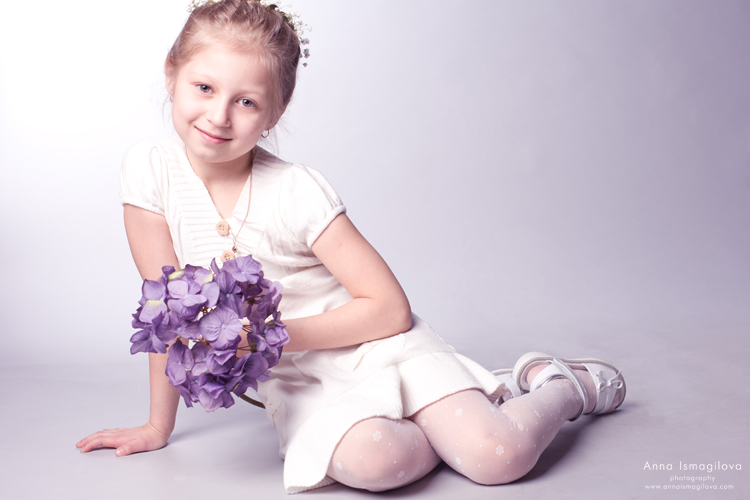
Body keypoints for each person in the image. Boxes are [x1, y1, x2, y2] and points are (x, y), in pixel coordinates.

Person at [76, 0, 626, 494]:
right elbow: (169, 314)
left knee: (495, 458)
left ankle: (559, 385)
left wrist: (267, 338)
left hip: (377, 347)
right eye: (204, 88)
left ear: (275, 113)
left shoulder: (296, 190)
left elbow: (389, 310)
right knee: (374, 465)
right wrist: (158, 426)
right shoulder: (150, 170)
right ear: (171, 74)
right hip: (300, 382)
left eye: (245, 101)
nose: (219, 116)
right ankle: (470, 407)